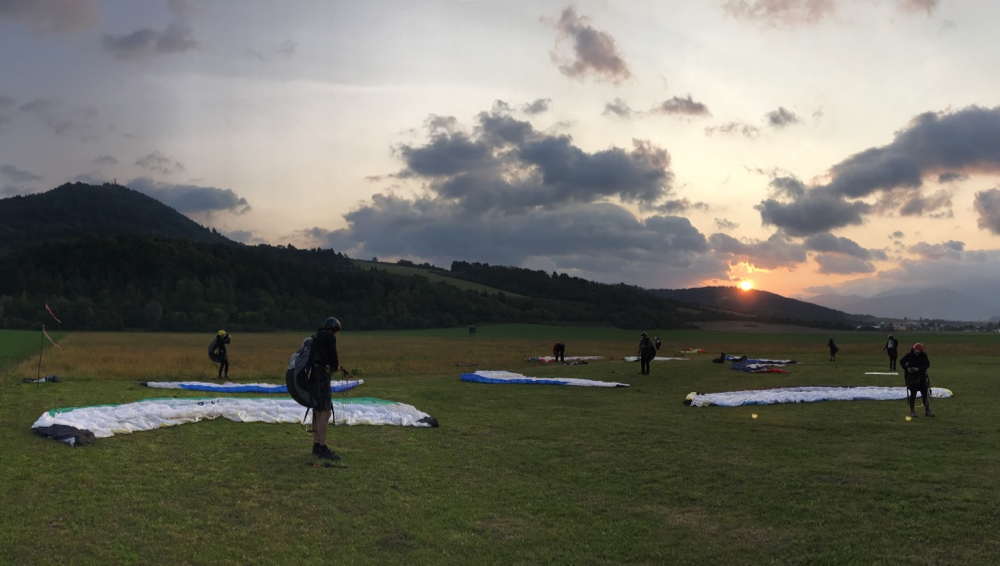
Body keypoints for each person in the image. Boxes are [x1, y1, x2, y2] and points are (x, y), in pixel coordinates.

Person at [307, 317, 345, 460]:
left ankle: (316, 446)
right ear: (333, 328)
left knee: (317, 411)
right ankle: (323, 447)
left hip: (313, 376)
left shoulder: (315, 337)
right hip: (322, 377)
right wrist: (335, 368)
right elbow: (333, 360)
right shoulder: (329, 337)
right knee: (326, 412)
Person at [899, 342, 934, 418]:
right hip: (912, 377)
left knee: (924, 394)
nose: (916, 353)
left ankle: (927, 411)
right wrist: (907, 369)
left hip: (922, 377)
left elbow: (927, 364)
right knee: (913, 394)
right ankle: (912, 411)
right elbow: (901, 361)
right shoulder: (909, 355)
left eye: (918, 352)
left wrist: (919, 368)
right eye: (915, 352)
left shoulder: (924, 355)